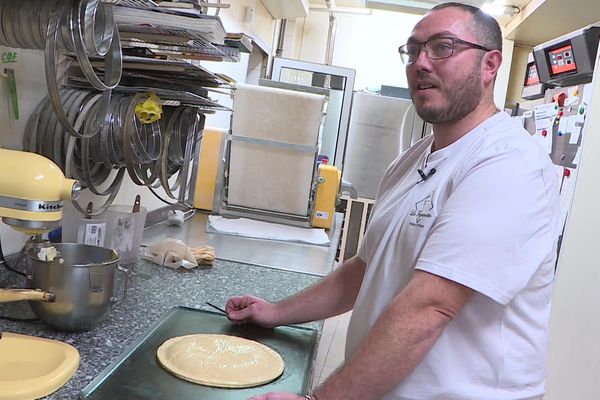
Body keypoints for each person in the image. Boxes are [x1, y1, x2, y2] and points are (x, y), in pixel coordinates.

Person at [226, 3, 561, 399]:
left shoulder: (509, 165)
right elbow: (365, 269)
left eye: (442, 47)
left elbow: (431, 306)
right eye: (413, 49)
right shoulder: (414, 158)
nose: (421, 62)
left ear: (490, 65)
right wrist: (277, 312)